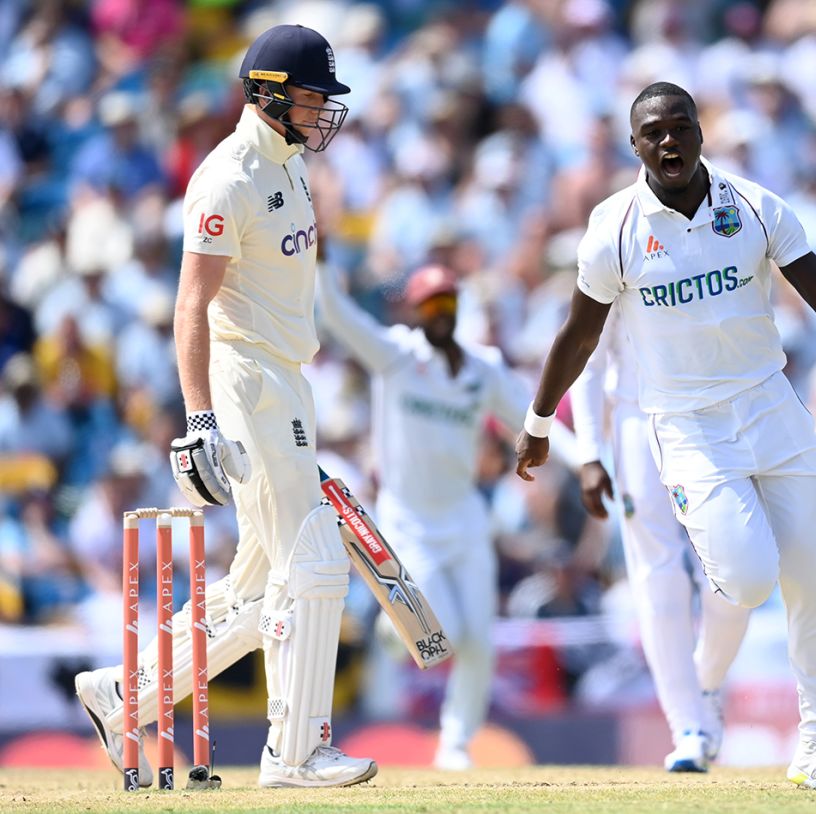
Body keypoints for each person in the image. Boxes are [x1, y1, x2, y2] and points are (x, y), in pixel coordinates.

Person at [514, 82, 816, 790]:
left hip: (772, 406)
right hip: (685, 425)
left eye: (681, 127)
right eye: (654, 133)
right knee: (745, 574)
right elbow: (580, 337)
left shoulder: (756, 206)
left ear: (702, 132)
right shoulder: (613, 228)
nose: (669, 142)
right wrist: (543, 424)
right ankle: (701, 687)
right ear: (635, 146)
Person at [74, 25, 378, 788]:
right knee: (314, 560)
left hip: (287, 380)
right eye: (311, 98)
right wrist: (201, 418)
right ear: (269, 94)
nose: (322, 114)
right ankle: (296, 753)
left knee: (255, 589)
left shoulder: (289, 164)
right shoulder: (226, 177)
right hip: (246, 384)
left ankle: (123, 695)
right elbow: (191, 306)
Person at [316, 262, 579, 770]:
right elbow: (340, 318)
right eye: (431, 304)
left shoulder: (482, 369)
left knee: (479, 638)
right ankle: (397, 631)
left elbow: (531, 419)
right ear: (416, 312)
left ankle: (456, 742)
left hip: (465, 517)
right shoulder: (396, 354)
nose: (440, 312)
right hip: (409, 520)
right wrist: (325, 264)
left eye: (448, 302)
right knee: (449, 633)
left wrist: (586, 462)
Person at [569, 310, 751, 772]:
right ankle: (687, 725)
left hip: (711, 412)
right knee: (657, 572)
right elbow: (587, 352)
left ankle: (706, 680)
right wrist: (590, 451)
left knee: (733, 568)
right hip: (636, 416)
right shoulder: (608, 237)